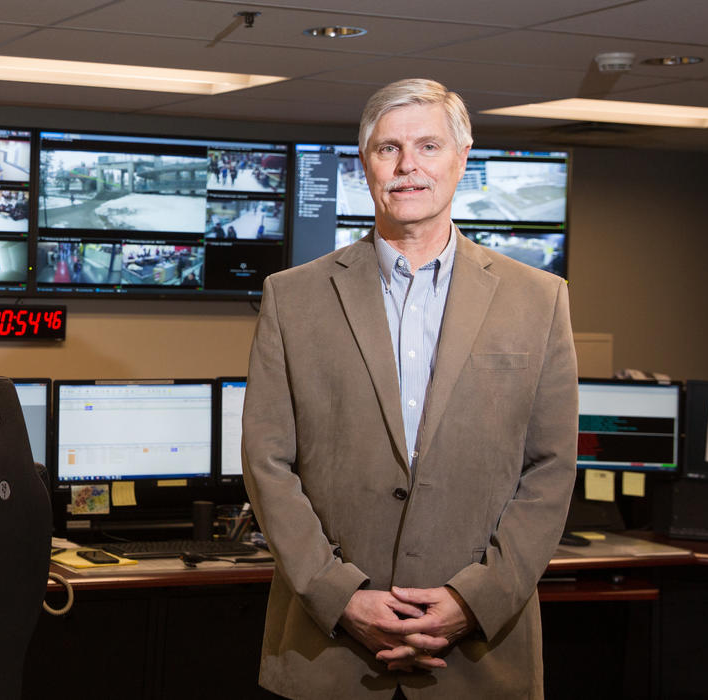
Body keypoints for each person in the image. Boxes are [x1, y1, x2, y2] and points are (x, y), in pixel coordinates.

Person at [242, 78, 576, 699]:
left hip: (480, 656)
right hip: (329, 653)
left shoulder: (539, 299)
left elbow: (551, 468)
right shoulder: (293, 298)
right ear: (364, 163)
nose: (407, 167)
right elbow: (267, 463)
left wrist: (473, 600)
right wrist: (338, 596)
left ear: (461, 158)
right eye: (387, 148)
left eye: (427, 146)